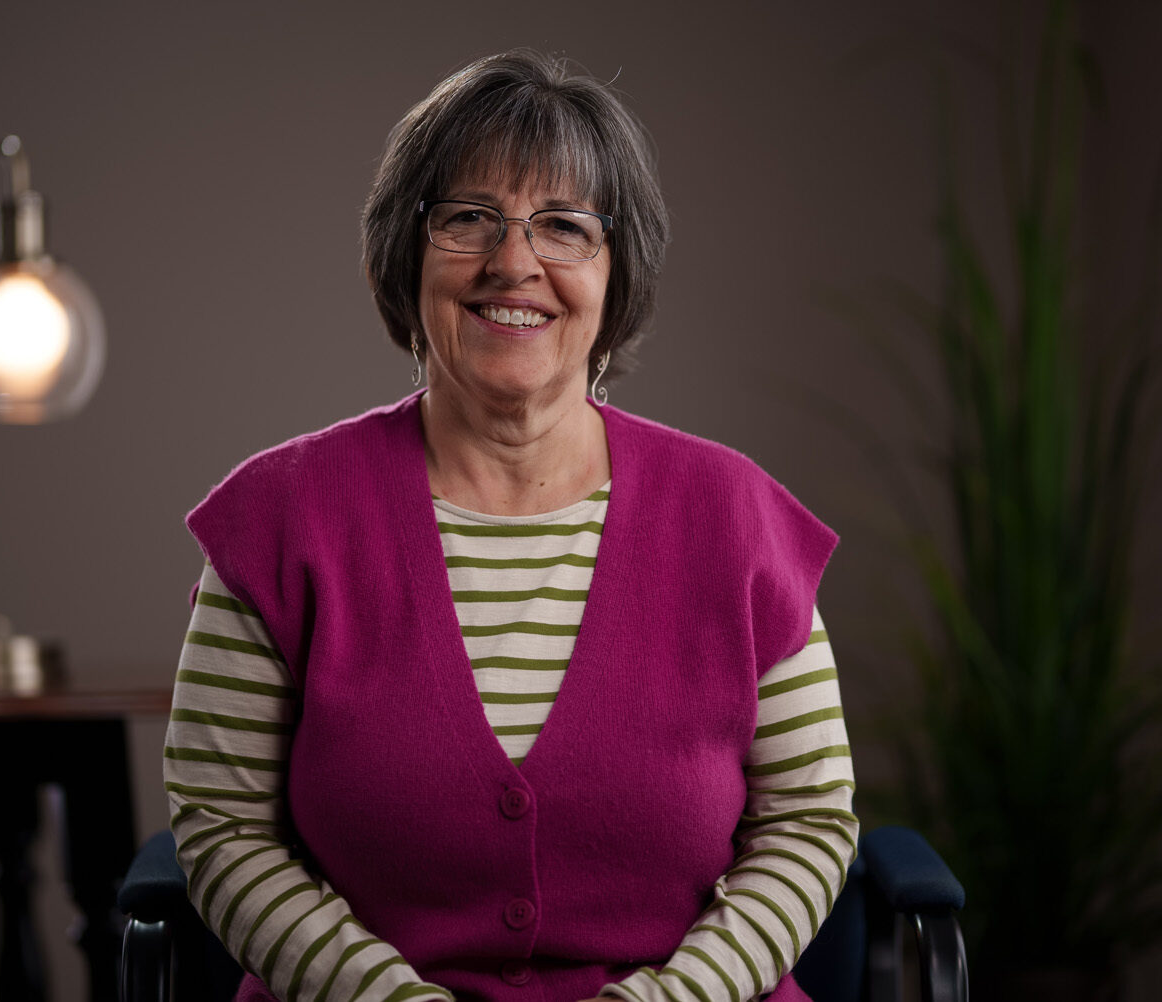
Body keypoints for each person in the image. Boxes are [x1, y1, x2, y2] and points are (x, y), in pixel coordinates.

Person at [164, 50, 856, 1002]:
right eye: (467, 219)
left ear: (619, 274)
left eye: (564, 227)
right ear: (406, 255)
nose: (513, 262)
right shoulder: (281, 521)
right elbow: (222, 825)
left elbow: (810, 822)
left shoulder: (734, 521)